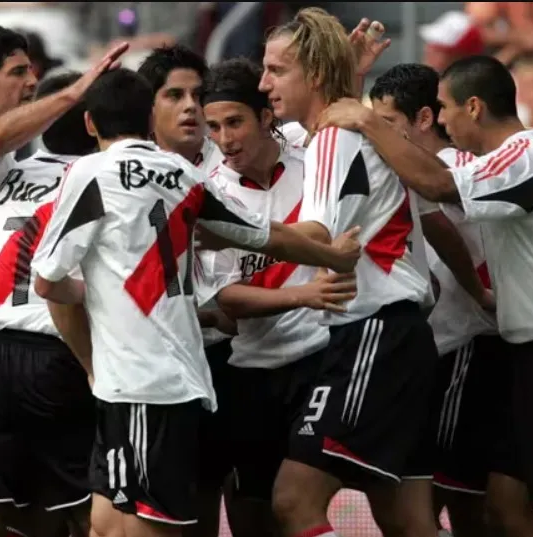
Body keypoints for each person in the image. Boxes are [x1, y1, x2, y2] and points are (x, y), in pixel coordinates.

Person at [30, 67, 361, 537]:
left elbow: (47, 282)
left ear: (90, 123)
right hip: (166, 378)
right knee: (105, 522)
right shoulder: (185, 176)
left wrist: (93, 299)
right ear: (150, 118)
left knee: (146, 528)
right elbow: (266, 236)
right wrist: (333, 255)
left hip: (143, 382)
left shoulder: (91, 172)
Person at [316, 55, 533, 537]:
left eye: (445, 107)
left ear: (475, 107)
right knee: (502, 507)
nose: (441, 120)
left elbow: (440, 185)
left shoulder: (524, 156)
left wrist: (366, 121)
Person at [0, 22, 127, 537]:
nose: (30, 82)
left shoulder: (21, 165)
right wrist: (75, 93)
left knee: (16, 509)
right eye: (17, 72)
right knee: (67, 504)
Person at [259, 8, 439, 537]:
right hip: (400, 335)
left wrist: (226, 229)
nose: (264, 83)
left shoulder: (335, 137)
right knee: (406, 520)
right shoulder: (340, 131)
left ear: (314, 74)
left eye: (277, 70)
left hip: (374, 335)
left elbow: (320, 238)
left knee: (294, 500)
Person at [196, 58, 357, 537]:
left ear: (267, 117)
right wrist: (304, 295)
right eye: (213, 128)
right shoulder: (210, 195)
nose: (224, 139)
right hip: (251, 374)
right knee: (255, 514)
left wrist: (353, 73)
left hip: (320, 361)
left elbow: (335, 116)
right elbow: (228, 299)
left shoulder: (313, 162)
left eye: (234, 122)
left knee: (300, 501)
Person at [368, 62, 500, 536]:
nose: (378, 136)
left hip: (467, 346)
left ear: (424, 118)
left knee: (444, 504)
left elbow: (444, 219)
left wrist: (478, 293)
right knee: (439, 505)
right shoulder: (397, 174)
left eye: (387, 123)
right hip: (431, 353)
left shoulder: (459, 170)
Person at [135, 44, 233, 537]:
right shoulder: (125, 175)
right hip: (155, 364)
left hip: (227, 356)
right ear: (148, 107)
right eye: (174, 95)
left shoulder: (232, 163)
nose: (191, 106)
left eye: (198, 94)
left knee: (215, 497)